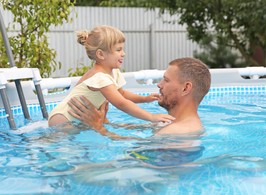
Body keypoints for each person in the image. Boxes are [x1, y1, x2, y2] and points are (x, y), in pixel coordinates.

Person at [48, 25, 175, 127]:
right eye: (118, 50)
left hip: (76, 118)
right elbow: (121, 103)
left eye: (123, 49)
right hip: (62, 119)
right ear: (101, 54)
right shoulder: (100, 77)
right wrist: (151, 117)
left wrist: (145, 99)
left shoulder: (113, 72)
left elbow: (122, 94)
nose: (123, 54)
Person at [67, 57, 211, 137]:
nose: (159, 85)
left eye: (166, 80)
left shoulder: (175, 132)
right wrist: (105, 123)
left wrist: (99, 129)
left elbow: (139, 160)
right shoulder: (171, 124)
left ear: (186, 88)